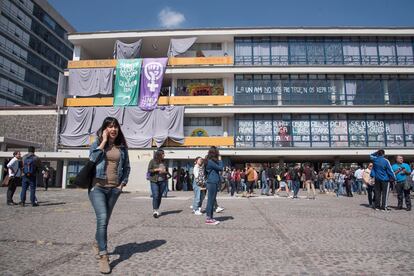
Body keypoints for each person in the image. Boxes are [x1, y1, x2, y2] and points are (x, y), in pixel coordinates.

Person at [88, 117, 130, 274]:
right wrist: (103, 141)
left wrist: (122, 184)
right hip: (97, 187)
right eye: (110, 127)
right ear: (105, 129)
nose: (114, 129)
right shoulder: (97, 144)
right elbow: (92, 159)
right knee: (103, 218)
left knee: (105, 220)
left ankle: (97, 242)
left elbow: (127, 167)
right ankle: (104, 256)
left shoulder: (122, 148)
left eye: (115, 126)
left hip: (114, 189)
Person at [147, 149, 170, 218]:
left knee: (159, 196)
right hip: (154, 180)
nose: (164, 155)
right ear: (159, 154)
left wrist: (164, 171)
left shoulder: (164, 162)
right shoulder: (152, 161)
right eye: (163, 154)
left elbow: (167, 171)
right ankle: (155, 210)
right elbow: (149, 170)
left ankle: (157, 208)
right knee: (156, 195)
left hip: (163, 181)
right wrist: (156, 169)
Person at [205, 146, 223, 225]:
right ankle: (209, 218)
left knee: (212, 200)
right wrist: (220, 160)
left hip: (212, 181)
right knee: (210, 200)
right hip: (212, 182)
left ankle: (211, 217)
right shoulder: (210, 162)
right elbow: (220, 168)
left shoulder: (210, 161)